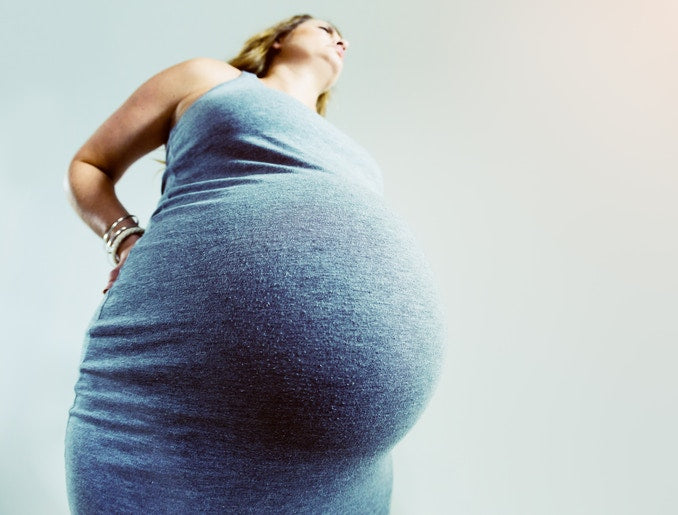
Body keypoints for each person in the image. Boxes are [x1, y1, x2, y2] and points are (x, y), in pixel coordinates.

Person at [64, 13, 445, 513]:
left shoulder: (349, 150)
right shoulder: (211, 80)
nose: (340, 37)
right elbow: (90, 165)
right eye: (323, 26)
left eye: (343, 35)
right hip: (167, 410)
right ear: (281, 37)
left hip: (346, 475)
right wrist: (124, 239)